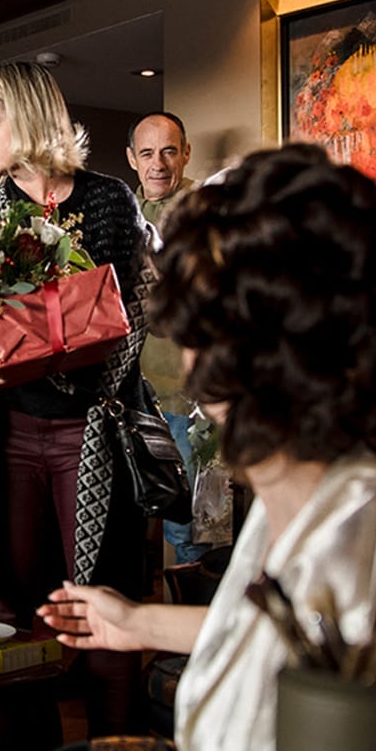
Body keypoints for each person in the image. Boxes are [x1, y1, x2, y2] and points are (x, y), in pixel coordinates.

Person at [41, 144, 376, 751]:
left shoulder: (355, 539)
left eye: (195, 330)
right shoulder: (306, 495)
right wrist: (138, 620)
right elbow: (278, 639)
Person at [0, 61, 153, 735]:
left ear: (27, 117)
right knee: (21, 610)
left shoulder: (109, 200)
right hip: (10, 435)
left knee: (103, 607)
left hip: (96, 433)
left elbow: (132, 305)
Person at [126, 111, 209, 563]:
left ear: (186, 153)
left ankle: (198, 632)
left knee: (190, 529)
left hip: (184, 398)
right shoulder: (121, 216)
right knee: (122, 521)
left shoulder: (207, 212)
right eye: (147, 153)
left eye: (169, 151)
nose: (158, 163)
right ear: (132, 159)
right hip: (125, 397)